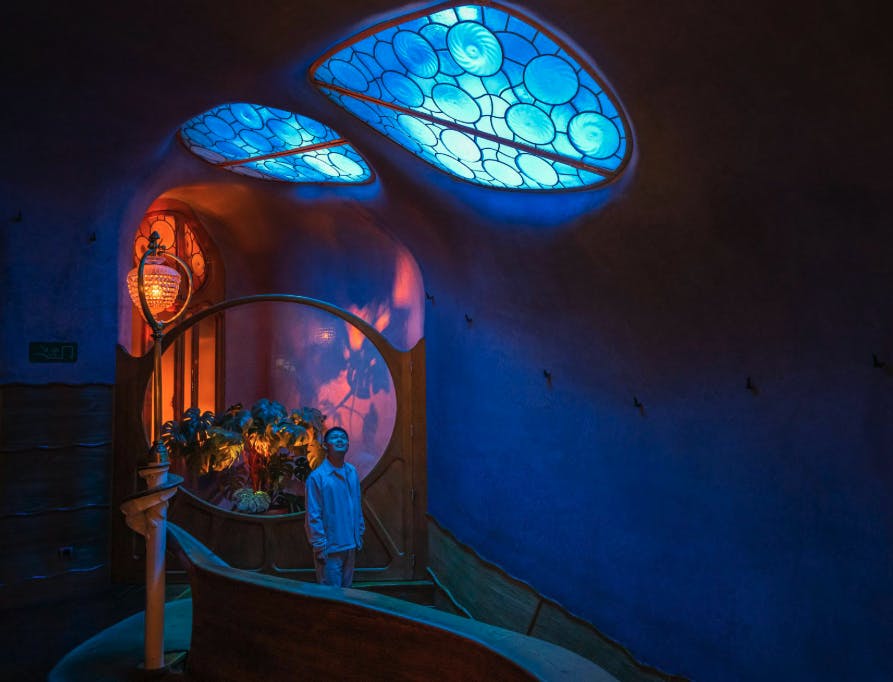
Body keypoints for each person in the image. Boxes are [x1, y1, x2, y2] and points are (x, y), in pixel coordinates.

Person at [304, 426, 365, 587]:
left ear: (348, 445)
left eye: (343, 438)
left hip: (350, 545)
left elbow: (357, 505)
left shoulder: (352, 472)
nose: (340, 440)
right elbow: (313, 514)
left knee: (348, 592)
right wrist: (319, 544)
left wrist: (359, 533)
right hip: (330, 548)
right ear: (325, 446)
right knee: (332, 596)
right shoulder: (317, 477)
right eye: (335, 437)